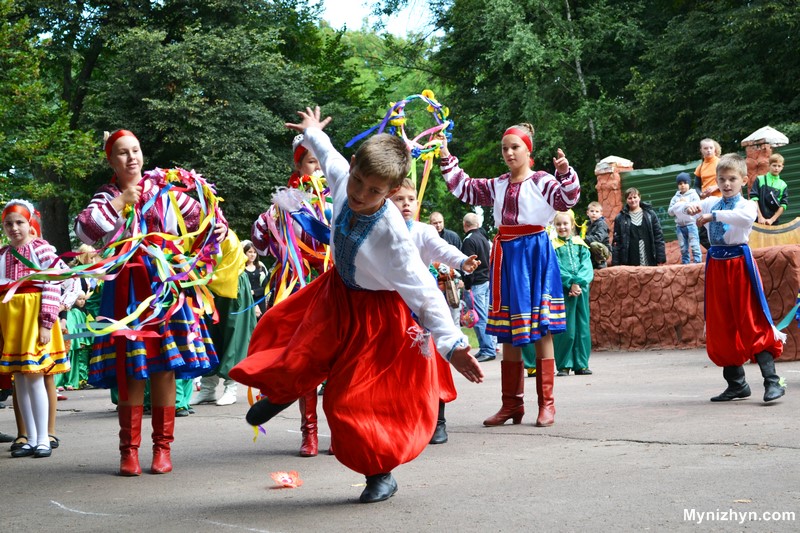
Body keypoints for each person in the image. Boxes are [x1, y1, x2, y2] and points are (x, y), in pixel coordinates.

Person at [231, 106, 483, 504]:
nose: (360, 194)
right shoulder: (342, 178)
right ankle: (281, 391)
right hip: (336, 293)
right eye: (359, 181)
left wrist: (453, 345)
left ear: (391, 192)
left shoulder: (393, 237)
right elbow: (327, 152)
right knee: (288, 336)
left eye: (374, 191)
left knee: (350, 399)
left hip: (376, 316)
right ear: (353, 167)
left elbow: (424, 293)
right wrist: (312, 131)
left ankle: (379, 473)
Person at [75, 129, 225, 476]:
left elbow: (204, 220)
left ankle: (162, 449)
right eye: (122, 152)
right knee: (131, 368)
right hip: (125, 291)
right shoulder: (106, 196)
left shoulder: (163, 191)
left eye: (135, 150)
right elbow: (84, 231)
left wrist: (215, 229)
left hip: (164, 288)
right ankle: (128, 452)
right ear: (111, 161)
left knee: (165, 368)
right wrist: (120, 202)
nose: (132, 157)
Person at [438, 122, 580, 428]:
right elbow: (464, 187)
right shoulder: (498, 184)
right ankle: (512, 404)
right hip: (507, 257)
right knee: (509, 329)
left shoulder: (542, 181)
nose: (509, 153)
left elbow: (567, 201)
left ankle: (547, 405)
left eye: (515, 147)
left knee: (540, 327)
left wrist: (565, 173)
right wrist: (446, 155)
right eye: (505, 148)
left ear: (528, 150)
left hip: (534, 254)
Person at [249, 134, 331, 458]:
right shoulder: (284, 203)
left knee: (338, 360)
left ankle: (339, 429)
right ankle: (309, 432)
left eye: (321, 161)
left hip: (332, 285)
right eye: (311, 161)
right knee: (305, 361)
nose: (318, 167)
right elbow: (259, 244)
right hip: (298, 287)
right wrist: (272, 218)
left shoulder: (339, 196)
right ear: (298, 165)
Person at [682, 153, 786, 403]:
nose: (727, 184)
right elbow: (678, 211)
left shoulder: (747, 205)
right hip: (716, 266)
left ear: (744, 180)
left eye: (732, 179)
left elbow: (746, 218)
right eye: (722, 179)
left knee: (751, 320)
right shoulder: (711, 203)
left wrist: (712, 216)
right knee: (721, 323)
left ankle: (772, 381)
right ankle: (737, 384)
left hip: (739, 265)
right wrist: (689, 207)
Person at [391, 179, 480, 445]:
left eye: (410, 199)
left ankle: (438, 420)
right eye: (399, 199)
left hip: (424, 304)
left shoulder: (423, 230)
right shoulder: (381, 230)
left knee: (434, 359)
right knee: (398, 364)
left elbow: (442, 249)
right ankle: (403, 421)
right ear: (387, 202)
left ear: (417, 203)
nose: (406, 204)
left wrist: (462, 261)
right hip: (393, 306)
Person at [0, 199, 70, 458]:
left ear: (30, 223)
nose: (14, 228)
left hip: (35, 318)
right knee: (20, 378)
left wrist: (46, 322)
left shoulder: (41, 249)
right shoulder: (3, 254)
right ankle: (29, 438)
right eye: (8, 224)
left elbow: (52, 283)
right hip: (12, 321)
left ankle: (43, 438)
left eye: (19, 222)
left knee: (35, 376)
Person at [192, 235, 257, 407]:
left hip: (231, 285)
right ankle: (208, 388)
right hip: (209, 287)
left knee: (233, 336)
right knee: (209, 335)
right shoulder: (196, 233)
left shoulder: (226, 234)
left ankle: (231, 387)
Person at [551, 212, 594, 376]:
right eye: (558, 224)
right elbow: (555, 268)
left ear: (572, 224)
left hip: (581, 290)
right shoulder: (552, 246)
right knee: (565, 327)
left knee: (582, 326)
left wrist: (578, 282)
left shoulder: (580, 244)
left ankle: (581, 363)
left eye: (565, 224)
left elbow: (587, 266)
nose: (562, 227)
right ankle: (564, 364)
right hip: (563, 291)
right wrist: (570, 283)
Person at [460, 212, 496, 362]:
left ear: (465, 225)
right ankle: (488, 347)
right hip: (486, 281)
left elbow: (469, 266)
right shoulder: (483, 238)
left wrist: (467, 285)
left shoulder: (469, 240)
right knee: (485, 315)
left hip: (476, 284)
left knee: (479, 317)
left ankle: (488, 349)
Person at [611, 188, 666, 266]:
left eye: (635, 197)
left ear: (639, 197)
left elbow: (658, 237)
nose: (633, 200)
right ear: (626, 200)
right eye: (630, 198)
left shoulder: (650, 214)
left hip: (650, 257)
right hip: (630, 261)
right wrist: (616, 263)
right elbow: (617, 242)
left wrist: (660, 258)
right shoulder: (620, 218)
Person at [668, 172, 702, 264]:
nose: (682, 185)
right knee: (683, 247)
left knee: (695, 245)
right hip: (679, 226)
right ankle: (685, 264)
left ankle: (698, 263)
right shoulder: (675, 198)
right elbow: (670, 212)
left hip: (691, 225)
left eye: (685, 183)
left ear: (689, 183)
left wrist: (685, 203)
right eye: (680, 183)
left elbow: (698, 206)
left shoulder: (693, 194)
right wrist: (677, 204)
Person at [693, 138, 722, 249]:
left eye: (711, 148)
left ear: (715, 149)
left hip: (720, 201)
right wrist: (701, 194)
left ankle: (722, 252)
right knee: (703, 236)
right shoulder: (700, 167)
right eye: (705, 148)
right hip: (706, 204)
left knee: (721, 230)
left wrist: (716, 187)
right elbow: (696, 186)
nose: (708, 150)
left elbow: (731, 180)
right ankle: (716, 252)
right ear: (701, 150)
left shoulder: (721, 163)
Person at [750, 153, 788, 226]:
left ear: (782, 167)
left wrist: (772, 220)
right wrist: (760, 217)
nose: (776, 168)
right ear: (769, 165)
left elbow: (783, 205)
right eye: (774, 165)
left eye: (779, 166)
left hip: (773, 223)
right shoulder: (759, 179)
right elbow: (753, 198)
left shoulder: (783, 185)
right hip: (757, 220)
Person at [242, 241, 268, 319]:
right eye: (250, 252)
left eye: (254, 252)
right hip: (246, 302)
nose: (252, 254)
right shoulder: (241, 269)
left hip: (261, 301)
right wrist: (253, 305)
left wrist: (254, 292)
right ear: (244, 253)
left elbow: (266, 287)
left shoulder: (261, 268)